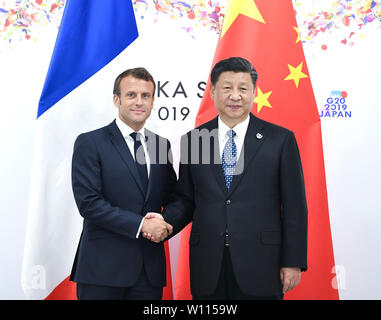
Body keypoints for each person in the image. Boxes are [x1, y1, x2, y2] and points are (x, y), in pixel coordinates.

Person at [145, 57, 308, 300]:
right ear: (212, 91)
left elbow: (295, 206)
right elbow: (186, 199)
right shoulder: (195, 140)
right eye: (227, 88)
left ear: (254, 92)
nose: (235, 96)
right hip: (209, 264)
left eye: (243, 88)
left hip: (262, 264)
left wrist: (293, 261)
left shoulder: (280, 140)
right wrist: (165, 221)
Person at [70, 67, 176, 300]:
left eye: (145, 95)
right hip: (101, 271)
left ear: (153, 101)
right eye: (131, 95)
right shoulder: (90, 142)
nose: (139, 102)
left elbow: (174, 197)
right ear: (116, 99)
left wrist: (166, 223)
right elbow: (89, 203)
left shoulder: (161, 145)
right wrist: (141, 225)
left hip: (148, 274)